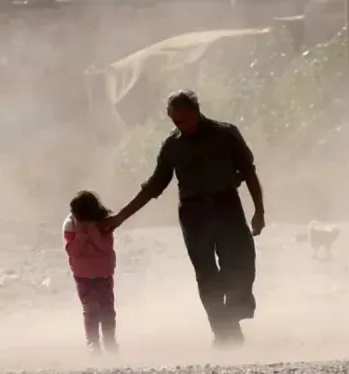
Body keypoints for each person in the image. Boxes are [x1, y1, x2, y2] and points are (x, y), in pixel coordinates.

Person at [106, 89, 266, 348]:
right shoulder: (173, 145)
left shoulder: (226, 134)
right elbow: (155, 185)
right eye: (174, 121)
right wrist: (120, 217)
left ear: (196, 111)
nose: (179, 125)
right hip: (194, 214)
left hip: (227, 206)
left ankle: (233, 313)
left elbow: (248, 171)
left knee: (242, 261)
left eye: (182, 119)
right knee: (206, 273)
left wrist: (259, 210)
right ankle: (223, 332)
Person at [64, 190, 118, 355]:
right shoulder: (71, 225)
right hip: (83, 276)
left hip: (104, 274)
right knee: (91, 309)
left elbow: (106, 247)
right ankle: (93, 344)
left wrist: (94, 233)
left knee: (107, 309)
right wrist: (81, 236)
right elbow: (72, 251)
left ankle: (110, 341)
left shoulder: (103, 224)